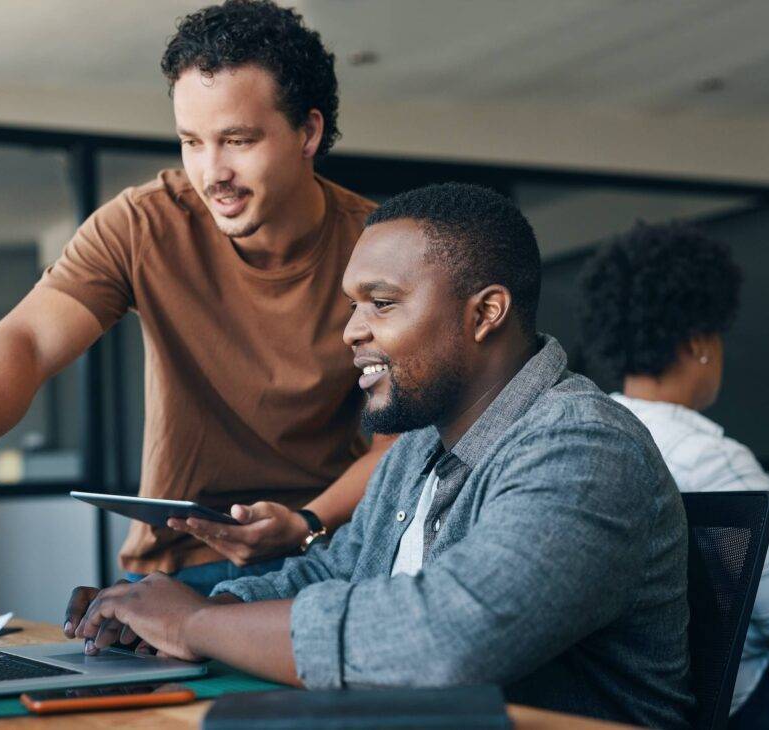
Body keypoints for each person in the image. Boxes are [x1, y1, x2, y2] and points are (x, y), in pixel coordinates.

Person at [62, 183, 695, 729]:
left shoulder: (583, 448)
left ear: (486, 314)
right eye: (353, 305)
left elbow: (449, 639)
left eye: (382, 303)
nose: (352, 331)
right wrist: (173, 611)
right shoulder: (419, 446)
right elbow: (331, 574)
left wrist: (195, 627)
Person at [0, 0, 393, 594]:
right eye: (192, 141)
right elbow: (30, 338)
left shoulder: (378, 249)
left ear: (308, 133)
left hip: (323, 554)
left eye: (237, 140)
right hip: (177, 562)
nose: (211, 171)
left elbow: (403, 443)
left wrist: (307, 523)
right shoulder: (143, 225)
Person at [579, 221, 769, 728]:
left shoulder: (590, 431)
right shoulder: (712, 457)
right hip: (740, 702)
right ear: (702, 343)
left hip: (634, 695)